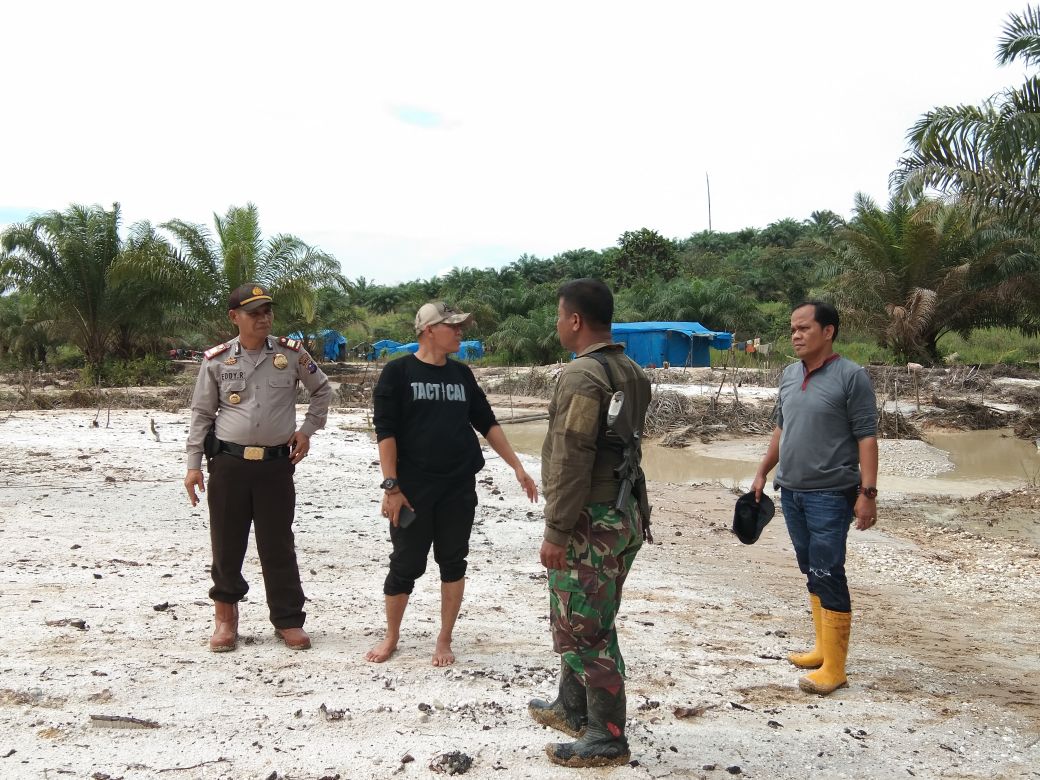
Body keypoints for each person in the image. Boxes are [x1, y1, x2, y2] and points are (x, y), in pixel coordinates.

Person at [366, 301, 538, 666]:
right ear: (428, 330)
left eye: (461, 327)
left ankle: (444, 639)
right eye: (453, 326)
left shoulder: (462, 375)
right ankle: (391, 636)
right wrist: (391, 487)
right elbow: (386, 432)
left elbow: (487, 423)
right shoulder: (397, 373)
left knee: (453, 561)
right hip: (412, 489)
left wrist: (517, 467)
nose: (461, 332)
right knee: (405, 564)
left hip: (458, 487)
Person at [532, 279, 651, 768]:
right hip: (623, 515)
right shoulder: (630, 370)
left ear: (575, 321)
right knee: (587, 616)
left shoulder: (583, 375)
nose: (557, 324)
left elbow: (573, 456)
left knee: (586, 628)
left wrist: (556, 530)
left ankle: (606, 734)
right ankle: (572, 706)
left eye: (559, 316)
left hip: (590, 522)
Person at [184, 283, 331, 652]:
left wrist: (307, 430)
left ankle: (287, 621)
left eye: (267, 311)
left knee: (278, 544)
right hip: (229, 464)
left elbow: (322, 391)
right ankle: (225, 621)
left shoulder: (291, 354)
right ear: (234, 317)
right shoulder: (217, 360)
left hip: (275, 466)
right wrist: (193, 465)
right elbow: (202, 414)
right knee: (227, 543)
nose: (263, 318)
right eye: (254, 313)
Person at [751, 300, 879, 695]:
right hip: (791, 491)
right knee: (811, 567)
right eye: (793, 328)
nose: (796, 335)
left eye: (804, 328)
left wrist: (867, 493)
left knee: (828, 570)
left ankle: (835, 669)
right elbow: (781, 429)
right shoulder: (789, 375)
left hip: (831, 493)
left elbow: (866, 436)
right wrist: (762, 470)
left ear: (828, 332)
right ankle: (823, 650)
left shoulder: (851, 376)